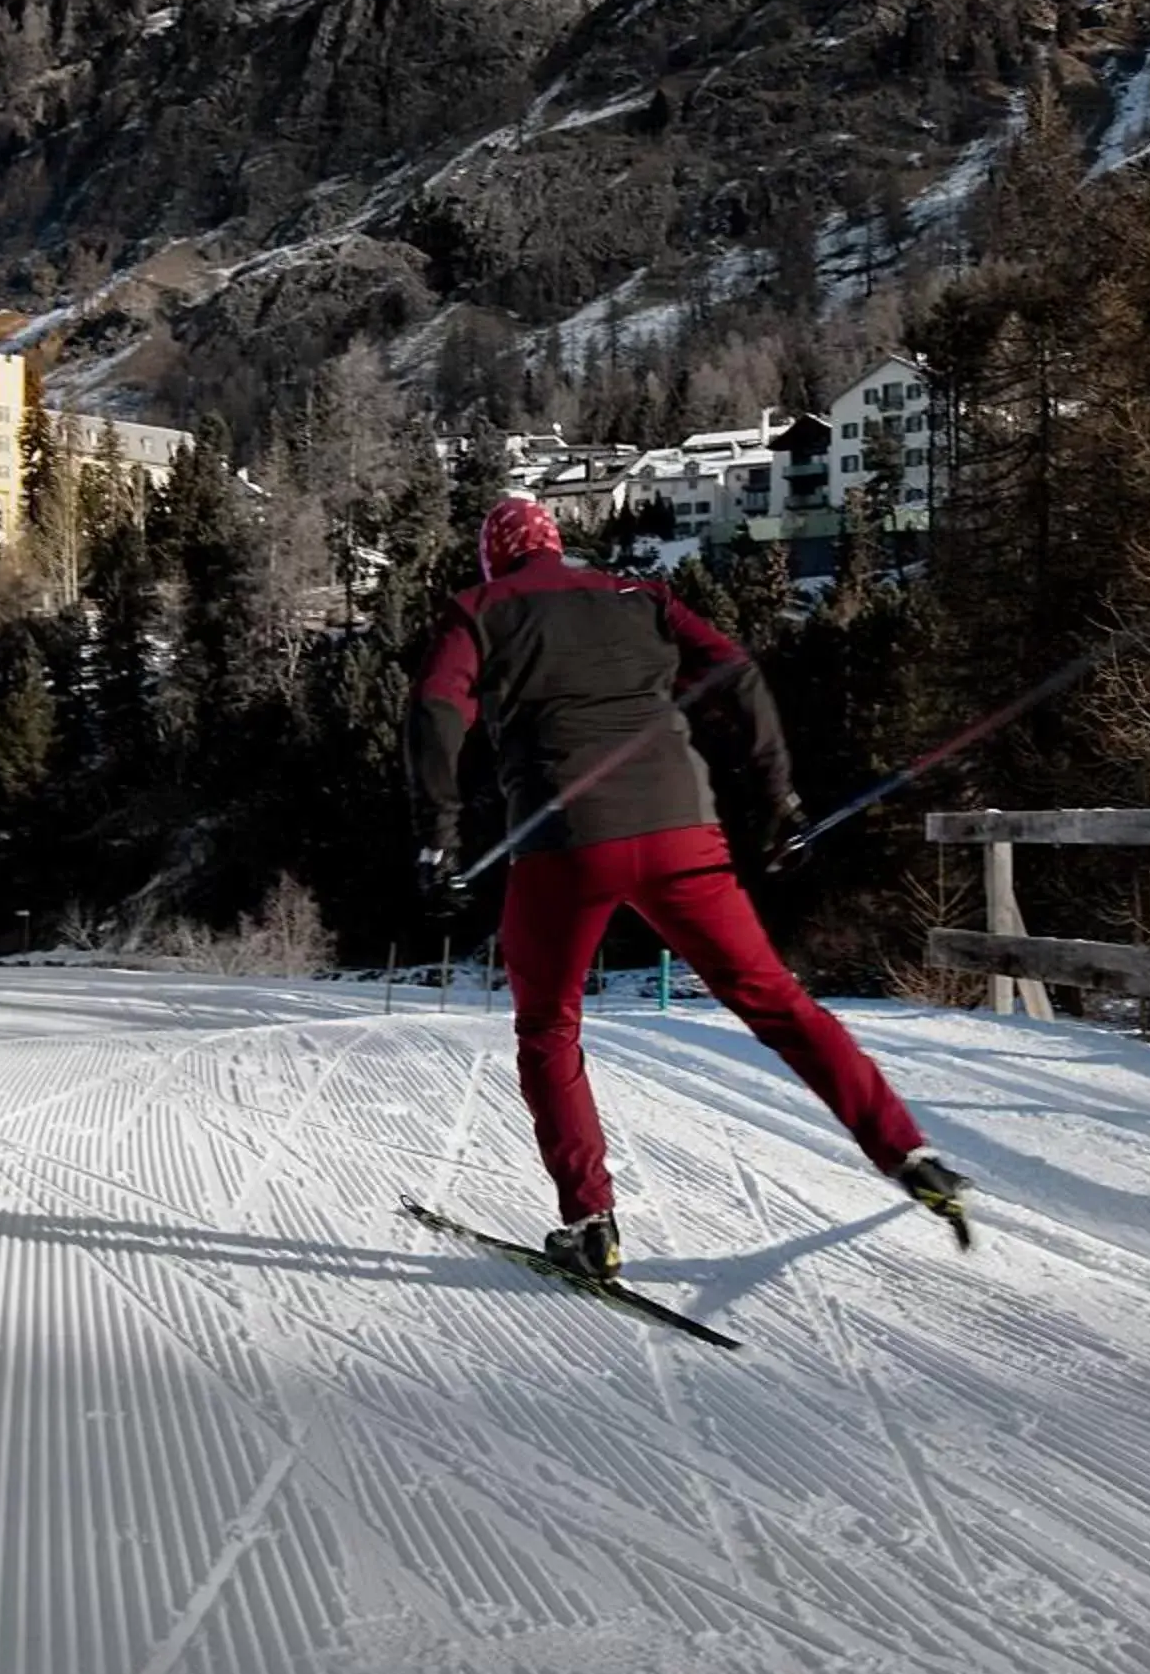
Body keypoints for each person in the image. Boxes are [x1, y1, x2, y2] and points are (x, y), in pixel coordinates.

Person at [406, 493, 969, 1278]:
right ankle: (907, 1150)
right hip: (682, 830)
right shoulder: (641, 597)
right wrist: (779, 800)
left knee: (549, 1027)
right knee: (776, 1000)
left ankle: (591, 1222)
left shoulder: (478, 608)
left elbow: (436, 712)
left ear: (493, 557)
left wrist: (437, 839)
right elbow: (738, 674)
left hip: (564, 847)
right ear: (558, 543)